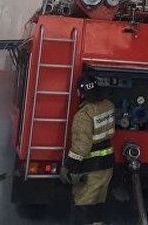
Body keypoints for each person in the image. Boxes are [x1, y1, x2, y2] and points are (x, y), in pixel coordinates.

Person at [60, 76, 115, 225]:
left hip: (91, 169)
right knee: (98, 206)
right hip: (107, 166)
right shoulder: (109, 106)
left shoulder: (83, 116)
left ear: (81, 93)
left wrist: (69, 167)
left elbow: (81, 146)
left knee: (82, 206)